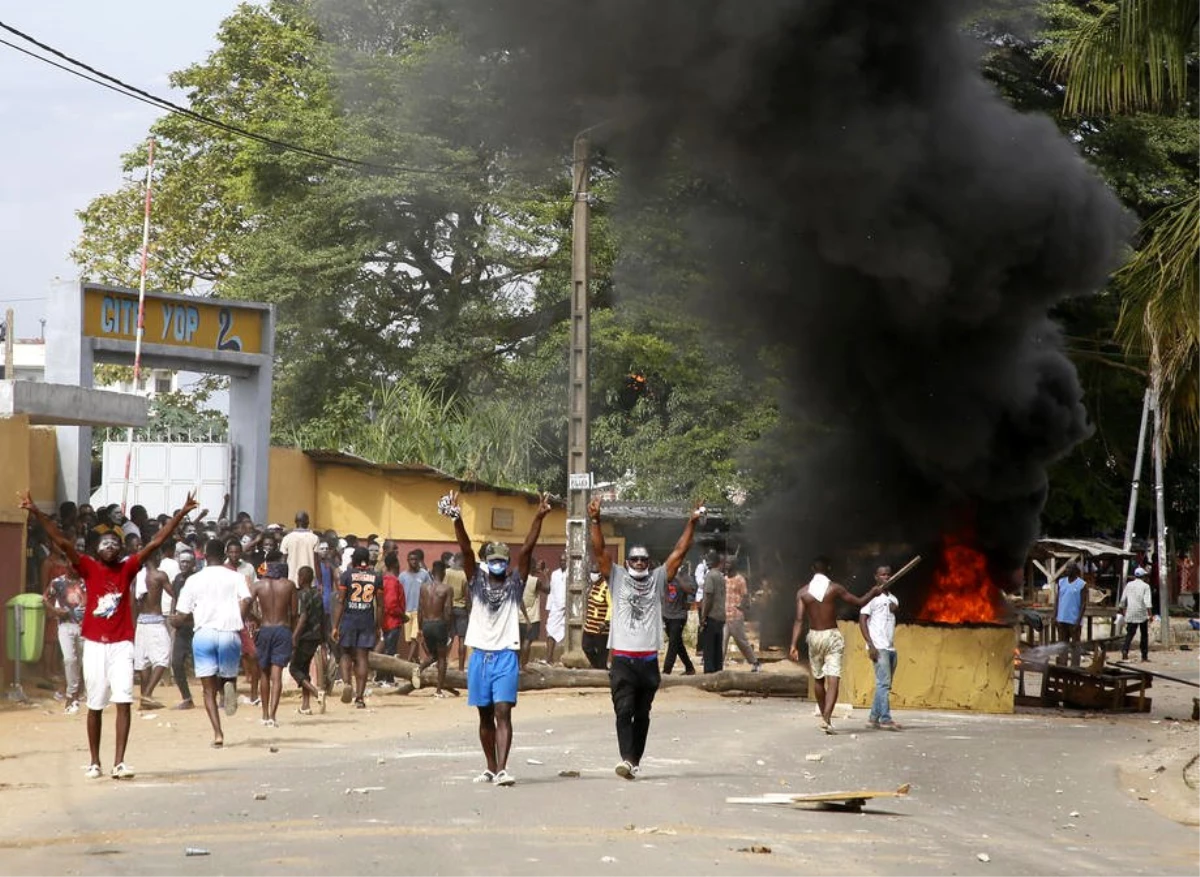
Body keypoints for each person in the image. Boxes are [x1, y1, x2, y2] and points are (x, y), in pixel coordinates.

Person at [19, 490, 196, 779]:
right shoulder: (88, 567)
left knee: (123, 700)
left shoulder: (127, 568)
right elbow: (62, 540)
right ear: (97, 549)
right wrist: (36, 511)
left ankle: (119, 762)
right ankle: (94, 761)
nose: (111, 544)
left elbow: (157, 542)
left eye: (116, 542)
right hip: (95, 646)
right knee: (95, 705)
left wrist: (181, 514)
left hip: (122, 645)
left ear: (121, 549)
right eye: (106, 542)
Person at [444, 489, 551, 786]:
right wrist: (457, 519)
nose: (500, 563)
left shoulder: (515, 584)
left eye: (504, 559)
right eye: (495, 559)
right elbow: (465, 549)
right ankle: (490, 767)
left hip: (505, 655)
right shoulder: (475, 581)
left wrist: (538, 517)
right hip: (480, 656)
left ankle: (502, 768)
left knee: (503, 712)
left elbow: (527, 551)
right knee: (484, 716)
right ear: (486, 561)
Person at [590, 497, 701, 780]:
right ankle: (626, 759)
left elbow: (679, 551)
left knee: (642, 714)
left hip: (648, 661)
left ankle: (634, 760)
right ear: (627, 562)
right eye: (634, 559)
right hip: (623, 661)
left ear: (649, 563)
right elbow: (600, 550)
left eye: (643, 559)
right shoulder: (615, 576)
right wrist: (595, 521)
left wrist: (691, 523)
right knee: (622, 710)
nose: (639, 562)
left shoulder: (658, 578)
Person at [789, 556, 888, 734]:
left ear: (812, 569)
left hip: (814, 637)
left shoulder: (803, 592)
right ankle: (826, 719)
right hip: (832, 636)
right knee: (833, 678)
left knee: (818, 679)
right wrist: (873, 593)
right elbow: (859, 602)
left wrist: (793, 645)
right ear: (829, 570)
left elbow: (798, 620)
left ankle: (825, 718)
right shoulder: (834, 589)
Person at [173, 538, 252, 748]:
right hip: (229, 632)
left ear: (205, 556)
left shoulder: (194, 580)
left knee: (208, 690)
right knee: (228, 675)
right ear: (225, 554)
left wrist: (175, 621)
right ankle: (228, 685)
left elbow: (182, 613)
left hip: (203, 634)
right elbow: (247, 599)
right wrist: (239, 619)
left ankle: (218, 734)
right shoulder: (235, 577)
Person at [332, 546, 383, 709]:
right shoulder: (376, 577)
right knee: (362, 658)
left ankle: (347, 683)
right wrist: (378, 626)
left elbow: (340, 602)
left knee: (346, 653)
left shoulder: (346, 576)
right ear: (368, 560)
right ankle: (360, 698)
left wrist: (335, 626)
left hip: (349, 619)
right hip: (367, 620)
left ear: (353, 560)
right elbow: (380, 605)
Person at [251, 551, 297, 727]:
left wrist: (257, 620)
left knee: (264, 672)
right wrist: (292, 634)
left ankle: (263, 714)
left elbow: (247, 606)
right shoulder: (289, 585)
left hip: (264, 629)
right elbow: (294, 613)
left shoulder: (258, 585)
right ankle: (272, 715)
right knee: (276, 674)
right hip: (282, 629)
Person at [858, 565, 901, 731]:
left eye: (889, 574)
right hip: (878, 647)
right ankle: (886, 719)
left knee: (884, 685)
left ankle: (873, 719)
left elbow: (892, 610)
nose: (887, 577)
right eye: (883, 575)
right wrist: (870, 645)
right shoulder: (871, 598)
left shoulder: (894, 599)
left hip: (890, 648)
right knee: (883, 684)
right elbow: (862, 620)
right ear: (876, 577)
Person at [43, 567, 86, 713]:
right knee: (69, 659)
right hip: (65, 626)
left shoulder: (85, 581)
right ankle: (71, 694)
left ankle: (79, 691)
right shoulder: (58, 582)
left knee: (80, 660)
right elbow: (44, 599)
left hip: (83, 627)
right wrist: (55, 611)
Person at [133, 552, 172, 710]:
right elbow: (173, 593)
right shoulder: (159, 576)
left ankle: (144, 701)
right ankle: (147, 694)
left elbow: (132, 602)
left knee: (144, 663)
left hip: (141, 621)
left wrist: (133, 624)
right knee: (163, 658)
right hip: (155, 620)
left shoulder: (138, 577)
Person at [290, 566, 327, 715]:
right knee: (304, 670)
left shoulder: (302, 595)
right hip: (316, 636)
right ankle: (305, 706)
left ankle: (316, 692)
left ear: (302, 578)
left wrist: (294, 637)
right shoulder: (318, 594)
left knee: (294, 668)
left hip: (305, 637)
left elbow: (303, 617)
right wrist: (323, 638)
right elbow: (323, 617)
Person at [418, 559, 455, 696]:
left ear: (432, 573)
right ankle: (439, 690)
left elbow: (420, 608)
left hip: (427, 623)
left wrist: (420, 628)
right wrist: (449, 629)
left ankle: (419, 668)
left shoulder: (423, 588)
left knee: (433, 655)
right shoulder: (447, 589)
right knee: (441, 658)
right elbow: (448, 610)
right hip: (439, 624)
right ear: (444, 573)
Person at [168, 549, 197, 709]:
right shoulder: (177, 579)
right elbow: (175, 598)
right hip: (181, 627)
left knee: (207, 663)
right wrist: (173, 616)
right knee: (176, 662)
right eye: (182, 561)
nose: (184, 564)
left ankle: (219, 695)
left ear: (193, 564)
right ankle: (187, 698)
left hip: (196, 626)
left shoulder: (197, 579)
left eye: (188, 562)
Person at [722, 557, 761, 671]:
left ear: (734, 565)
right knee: (722, 641)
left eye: (729, 563)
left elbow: (744, 595)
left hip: (736, 616)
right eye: (726, 563)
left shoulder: (740, 579)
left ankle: (755, 662)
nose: (726, 565)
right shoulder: (724, 579)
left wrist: (740, 606)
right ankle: (719, 666)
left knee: (741, 641)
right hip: (724, 616)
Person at [376, 551, 407, 686]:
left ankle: (381, 676)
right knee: (390, 650)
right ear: (395, 564)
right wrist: (402, 615)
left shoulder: (384, 580)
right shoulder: (392, 582)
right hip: (392, 621)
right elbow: (391, 605)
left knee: (386, 649)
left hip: (385, 620)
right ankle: (387, 678)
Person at [662, 563, 696, 675]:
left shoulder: (684, 577)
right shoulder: (665, 577)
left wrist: (678, 578)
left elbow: (691, 590)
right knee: (677, 643)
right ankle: (689, 667)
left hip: (679, 616)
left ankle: (666, 671)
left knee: (673, 643)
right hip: (667, 615)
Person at [399, 551, 432, 663]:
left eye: (415, 559)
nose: (413, 562)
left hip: (419, 611)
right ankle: (416, 660)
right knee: (409, 639)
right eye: (411, 559)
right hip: (406, 611)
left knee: (414, 637)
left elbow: (430, 590)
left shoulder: (424, 575)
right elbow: (399, 593)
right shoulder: (402, 576)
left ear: (419, 561)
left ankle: (408, 662)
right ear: (407, 561)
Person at [698, 553, 727, 673]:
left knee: (709, 648)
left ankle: (709, 674)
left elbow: (709, 596)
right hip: (720, 616)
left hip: (711, 616)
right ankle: (718, 672)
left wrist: (703, 616)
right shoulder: (721, 576)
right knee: (717, 649)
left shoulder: (710, 576)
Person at [1120, 566, 1155, 663]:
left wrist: (1122, 610)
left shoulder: (1129, 585)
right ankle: (1144, 656)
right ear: (1143, 576)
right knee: (1144, 635)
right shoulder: (1146, 586)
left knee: (1130, 633)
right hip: (1142, 613)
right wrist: (1150, 615)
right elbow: (1147, 602)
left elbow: (1123, 600)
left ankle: (1125, 650)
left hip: (1131, 612)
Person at [1055, 562, 1087, 667]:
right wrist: (1055, 616)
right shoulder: (1061, 582)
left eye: (1069, 568)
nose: (1066, 570)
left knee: (1075, 646)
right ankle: (1062, 665)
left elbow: (1083, 604)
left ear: (1074, 570)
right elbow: (1057, 600)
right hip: (1062, 619)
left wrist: (1078, 621)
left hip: (1074, 621)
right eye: (1066, 568)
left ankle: (1074, 666)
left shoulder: (1081, 584)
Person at [581, 562, 612, 670]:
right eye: (592, 572)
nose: (592, 574)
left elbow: (611, 606)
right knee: (586, 647)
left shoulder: (606, 587)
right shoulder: (593, 586)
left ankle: (601, 670)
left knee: (602, 652)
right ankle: (597, 666)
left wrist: (606, 622)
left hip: (601, 627)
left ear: (600, 574)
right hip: (590, 625)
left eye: (595, 572)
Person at [519, 561, 548, 668]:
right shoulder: (535, 581)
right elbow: (548, 590)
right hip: (531, 617)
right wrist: (545, 575)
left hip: (519, 616)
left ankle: (517, 666)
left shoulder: (519, 579)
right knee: (527, 642)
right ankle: (524, 665)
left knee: (519, 643)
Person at [445, 552, 470, 672]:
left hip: (448, 609)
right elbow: (467, 596)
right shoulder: (465, 575)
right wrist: (470, 613)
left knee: (449, 638)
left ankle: (444, 663)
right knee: (462, 639)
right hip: (461, 609)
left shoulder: (446, 572)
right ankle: (460, 668)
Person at [280, 511, 320, 584]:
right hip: (309, 581)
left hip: (290, 581)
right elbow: (316, 562)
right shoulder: (315, 538)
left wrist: (282, 580)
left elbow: (283, 561)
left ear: (295, 522)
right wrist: (320, 582)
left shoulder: (286, 538)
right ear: (308, 522)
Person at [544, 554, 568, 664]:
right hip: (555, 608)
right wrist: (549, 607)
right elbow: (551, 592)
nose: (563, 562)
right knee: (550, 631)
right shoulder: (555, 574)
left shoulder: (572, 574)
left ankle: (567, 658)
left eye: (565, 560)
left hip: (568, 608)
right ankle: (549, 658)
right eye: (561, 560)